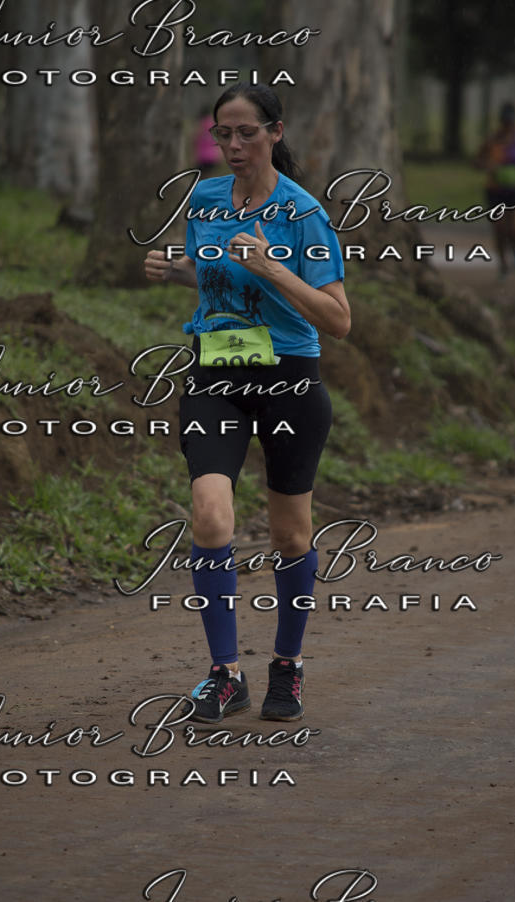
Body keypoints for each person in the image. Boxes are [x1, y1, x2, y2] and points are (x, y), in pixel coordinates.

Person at [144, 83, 350, 723]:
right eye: (223, 135)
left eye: (246, 134)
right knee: (210, 516)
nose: (232, 146)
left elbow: (339, 320)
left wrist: (275, 270)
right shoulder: (204, 198)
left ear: (276, 133)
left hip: (289, 378)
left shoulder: (302, 213)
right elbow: (217, 284)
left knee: (291, 534)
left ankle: (286, 666)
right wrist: (178, 270)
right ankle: (224, 673)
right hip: (217, 373)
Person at [476, 101, 515, 276]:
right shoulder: (492, 140)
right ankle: (503, 264)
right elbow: (477, 161)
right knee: (499, 229)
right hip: (495, 190)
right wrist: (488, 166)